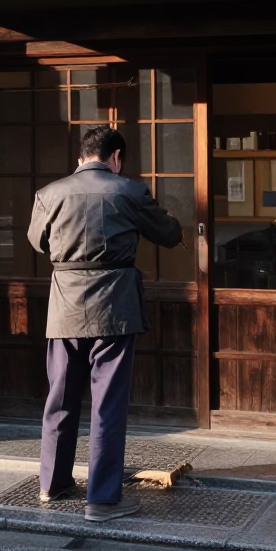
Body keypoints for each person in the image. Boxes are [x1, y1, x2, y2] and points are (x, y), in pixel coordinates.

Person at [27, 125, 183, 521]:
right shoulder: (128, 192)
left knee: (60, 399)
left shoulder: (49, 194)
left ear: (82, 157)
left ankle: (53, 484)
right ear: (115, 158)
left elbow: (36, 242)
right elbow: (167, 233)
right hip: (114, 308)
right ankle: (102, 499)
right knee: (107, 405)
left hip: (64, 308)